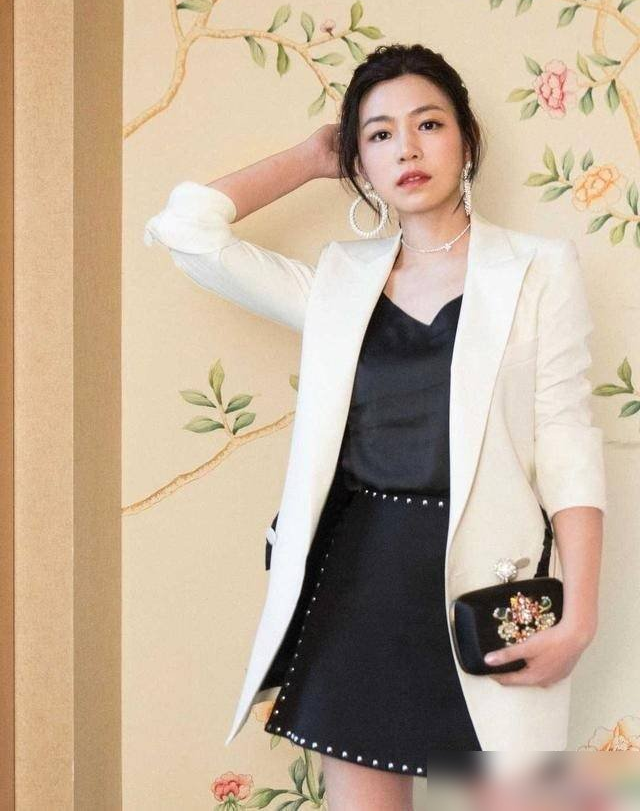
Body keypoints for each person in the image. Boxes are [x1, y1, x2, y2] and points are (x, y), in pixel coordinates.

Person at [144, 44, 606, 811]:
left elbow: (568, 442)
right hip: (359, 582)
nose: (408, 149)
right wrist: (309, 157)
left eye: (429, 124)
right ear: (358, 160)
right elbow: (188, 228)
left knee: (526, 798)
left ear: (467, 138)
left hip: (487, 579)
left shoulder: (538, 267)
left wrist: (580, 614)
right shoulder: (337, 281)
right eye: (380, 133)